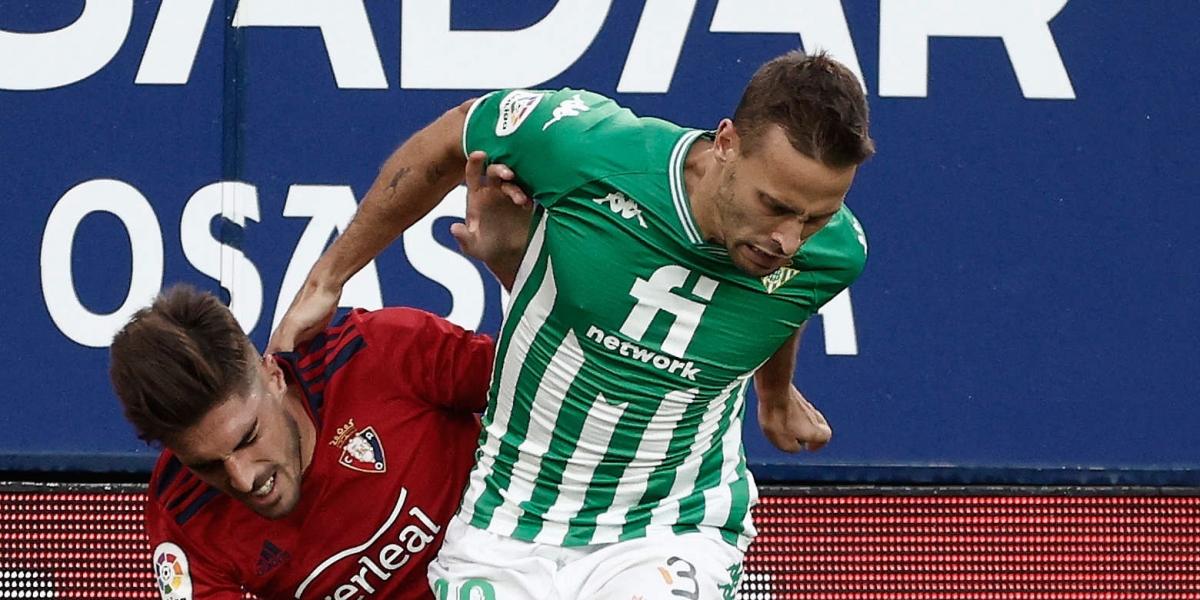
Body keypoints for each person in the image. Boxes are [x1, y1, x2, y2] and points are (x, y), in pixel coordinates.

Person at [272, 50, 874, 599]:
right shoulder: (589, 147)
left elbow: (785, 299)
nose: (788, 240)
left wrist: (774, 395)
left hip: (670, 525)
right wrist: (330, 277)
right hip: (506, 520)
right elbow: (457, 133)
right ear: (726, 143)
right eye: (775, 206)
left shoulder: (835, 253)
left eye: (816, 216)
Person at [109, 285, 502, 599]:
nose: (244, 479)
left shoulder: (379, 351)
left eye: (249, 437)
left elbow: (553, 392)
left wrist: (509, 262)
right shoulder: (181, 513)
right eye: (207, 465)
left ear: (274, 376)